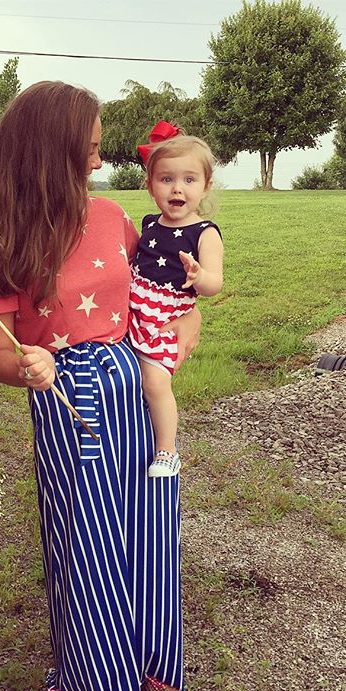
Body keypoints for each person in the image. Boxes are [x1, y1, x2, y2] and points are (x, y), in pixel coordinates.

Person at [0, 82, 201, 691]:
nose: (97, 162)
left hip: (132, 386)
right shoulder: (6, 236)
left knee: (146, 525)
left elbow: (159, 284)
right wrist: (29, 366)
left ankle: (149, 654)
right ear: (51, 152)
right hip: (65, 397)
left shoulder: (113, 215)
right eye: (87, 150)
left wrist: (186, 313)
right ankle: (85, 676)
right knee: (85, 540)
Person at [128, 122, 224, 477]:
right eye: (166, 179)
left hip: (165, 322)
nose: (177, 188)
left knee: (155, 382)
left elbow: (215, 282)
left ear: (205, 185)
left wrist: (200, 278)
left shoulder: (204, 233)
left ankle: (167, 449)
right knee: (129, 381)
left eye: (188, 179)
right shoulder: (150, 223)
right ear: (151, 185)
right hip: (134, 313)